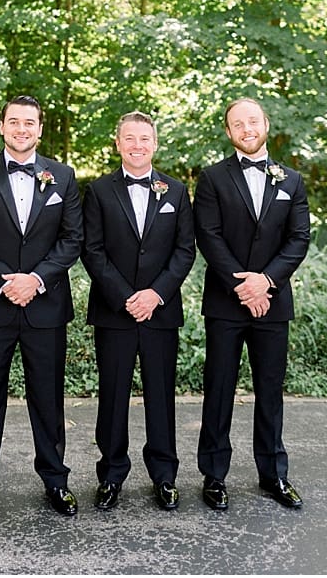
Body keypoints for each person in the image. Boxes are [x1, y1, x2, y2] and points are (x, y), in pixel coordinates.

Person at [0, 94, 83, 520]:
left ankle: (55, 481)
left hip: (45, 306)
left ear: (40, 129)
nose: (22, 129)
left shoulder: (63, 177)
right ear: (2, 127)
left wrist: (36, 280)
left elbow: (71, 239)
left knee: (48, 399)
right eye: (14, 122)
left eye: (30, 122)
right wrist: (6, 283)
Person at [193, 98, 311, 510]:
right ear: (229, 132)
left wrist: (266, 282)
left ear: (266, 124)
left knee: (270, 391)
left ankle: (273, 475)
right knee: (219, 389)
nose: (246, 128)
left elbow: (299, 239)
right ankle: (213, 475)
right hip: (226, 303)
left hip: (273, 304)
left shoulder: (291, 180)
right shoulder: (211, 179)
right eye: (237, 124)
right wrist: (243, 286)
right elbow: (208, 236)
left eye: (253, 121)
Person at [81, 111, 196, 512]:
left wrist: (155, 295)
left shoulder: (177, 191)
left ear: (155, 143)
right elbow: (91, 251)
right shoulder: (97, 191)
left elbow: (185, 251)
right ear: (117, 144)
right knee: (112, 396)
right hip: (115, 312)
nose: (137, 145)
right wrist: (127, 296)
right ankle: (111, 475)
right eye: (129, 138)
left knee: (161, 395)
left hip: (160, 311)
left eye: (144, 138)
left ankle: (164, 476)